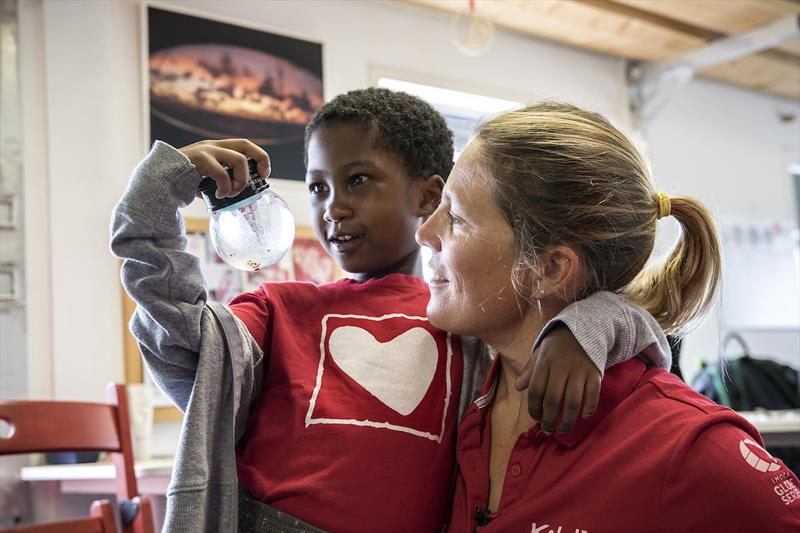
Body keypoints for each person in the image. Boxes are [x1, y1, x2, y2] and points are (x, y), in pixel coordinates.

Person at [111, 89, 669, 532]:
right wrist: (156, 204)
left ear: (429, 197)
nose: (335, 207)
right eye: (317, 188)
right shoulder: (281, 309)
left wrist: (581, 329)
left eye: (358, 180)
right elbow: (180, 334)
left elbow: (628, 316)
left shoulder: (471, 318)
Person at [415, 101, 800, 532]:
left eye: (457, 218)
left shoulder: (692, 450)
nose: (424, 232)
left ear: (550, 269)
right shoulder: (452, 390)